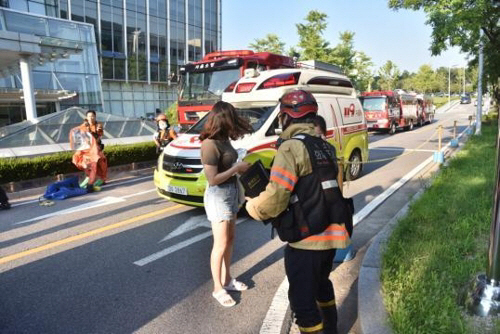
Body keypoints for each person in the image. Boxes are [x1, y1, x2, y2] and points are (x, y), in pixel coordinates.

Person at [246, 90, 352, 334]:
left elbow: (276, 198)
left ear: (285, 117)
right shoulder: (325, 146)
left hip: (307, 241)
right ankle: (331, 330)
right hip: (332, 236)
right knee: (322, 286)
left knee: (303, 303)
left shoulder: (291, 148)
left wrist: (252, 206)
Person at [200, 101, 253, 307]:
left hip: (231, 192)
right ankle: (217, 288)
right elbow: (212, 179)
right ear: (223, 119)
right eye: (231, 118)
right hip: (218, 196)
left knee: (230, 239)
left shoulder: (224, 140)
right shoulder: (209, 144)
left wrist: (238, 165)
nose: (234, 122)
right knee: (220, 244)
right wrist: (236, 167)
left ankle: (227, 279)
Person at [71, 110, 108, 192]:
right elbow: (77, 135)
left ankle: (100, 180)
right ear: (86, 118)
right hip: (85, 150)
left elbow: (97, 137)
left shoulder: (98, 126)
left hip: (95, 149)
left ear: (95, 117)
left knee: (102, 161)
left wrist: (89, 131)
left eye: (92, 116)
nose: (91, 118)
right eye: (89, 116)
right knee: (82, 162)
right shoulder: (83, 126)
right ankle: (88, 181)